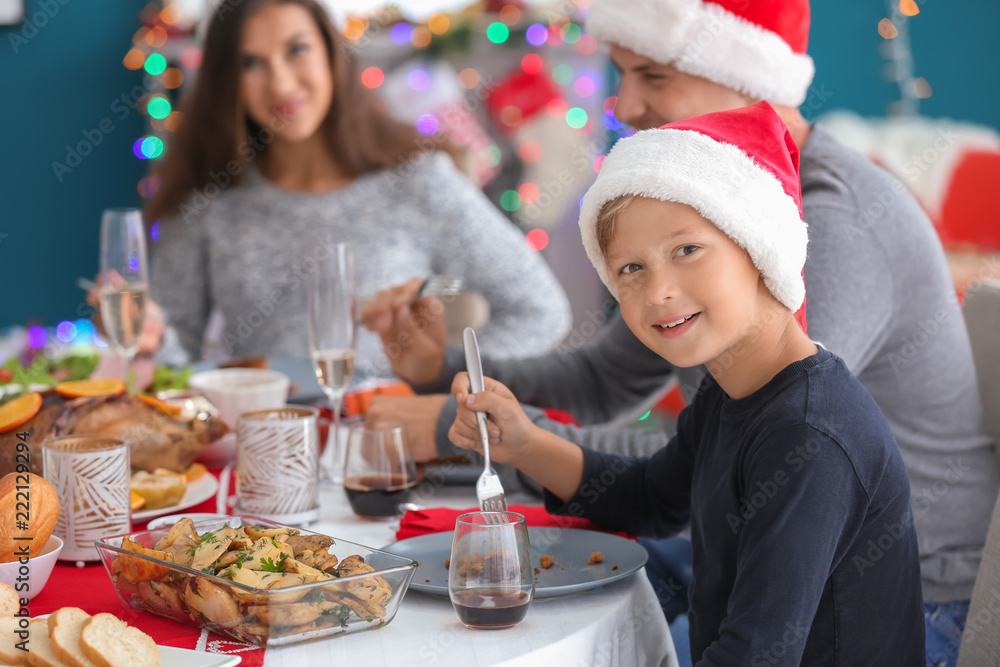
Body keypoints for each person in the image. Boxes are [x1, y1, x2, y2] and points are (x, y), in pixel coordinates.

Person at [362, 1, 997, 663]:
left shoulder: (807, 406)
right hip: (756, 568)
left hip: (906, 603)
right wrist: (502, 422)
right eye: (628, 270)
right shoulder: (722, 339)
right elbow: (649, 477)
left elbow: (757, 635)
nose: (627, 105)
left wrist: (443, 428)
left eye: (654, 75)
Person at [448, 102, 925, 664]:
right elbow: (651, 500)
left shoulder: (807, 433)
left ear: (758, 244)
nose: (658, 292)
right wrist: (525, 444)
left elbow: (755, 655)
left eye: (687, 250)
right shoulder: (731, 390)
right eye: (630, 269)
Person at [134, 0, 571, 380]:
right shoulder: (209, 201)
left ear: (332, 54)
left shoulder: (419, 182)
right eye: (251, 63)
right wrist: (147, 340)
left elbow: (541, 312)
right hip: (261, 448)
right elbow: (177, 370)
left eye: (297, 49)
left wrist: (437, 383)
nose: (281, 83)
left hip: (391, 454)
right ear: (227, 81)